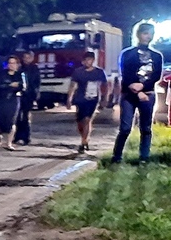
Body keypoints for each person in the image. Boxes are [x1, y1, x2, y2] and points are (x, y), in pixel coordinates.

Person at [111, 22, 165, 165]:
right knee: (125, 128)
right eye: (146, 33)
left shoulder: (157, 56)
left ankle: (144, 157)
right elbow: (125, 74)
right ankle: (116, 157)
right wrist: (136, 90)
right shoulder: (127, 53)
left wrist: (142, 86)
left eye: (151, 33)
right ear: (138, 34)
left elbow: (156, 75)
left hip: (148, 95)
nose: (148, 36)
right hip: (129, 95)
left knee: (146, 128)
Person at [65, 51, 108, 154]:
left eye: (89, 60)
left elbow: (104, 86)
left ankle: (84, 141)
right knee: (80, 122)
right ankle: (84, 137)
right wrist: (69, 99)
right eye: (85, 60)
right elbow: (73, 85)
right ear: (82, 61)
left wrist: (104, 99)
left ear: (93, 60)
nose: (87, 62)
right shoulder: (78, 72)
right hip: (80, 99)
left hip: (93, 99)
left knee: (88, 119)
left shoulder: (99, 72)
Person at [0, 55, 25, 150]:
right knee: (0, 120)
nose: (11, 65)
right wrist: (10, 85)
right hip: (1, 99)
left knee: (12, 120)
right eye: (10, 63)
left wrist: (12, 87)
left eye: (13, 63)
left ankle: (9, 143)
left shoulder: (20, 75)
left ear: (17, 65)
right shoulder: (1, 74)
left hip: (13, 100)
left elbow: (22, 86)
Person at [13, 49, 41, 145]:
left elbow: (36, 83)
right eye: (24, 57)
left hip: (29, 95)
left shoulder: (34, 69)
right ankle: (17, 136)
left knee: (25, 116)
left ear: (32, 58)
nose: (26, 59)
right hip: (20, 94)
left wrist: (35, 95)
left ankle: (25, 137)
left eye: (28, 57)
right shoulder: (20, 68)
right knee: (17, 117)